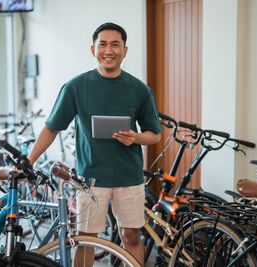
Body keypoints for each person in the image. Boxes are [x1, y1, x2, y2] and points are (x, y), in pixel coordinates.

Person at [27, 22, 162, 266]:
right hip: (89, 178)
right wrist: (28, 162)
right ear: (93, 49)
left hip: (129, 176)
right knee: (86, 239)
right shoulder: (76, 87)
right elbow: (51, 128)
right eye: (103, 44)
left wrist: (137, 137)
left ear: (125, 50)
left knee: (130, 234)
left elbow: (154, 134)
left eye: (115, 45)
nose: (108, 50)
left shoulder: (140, 90)